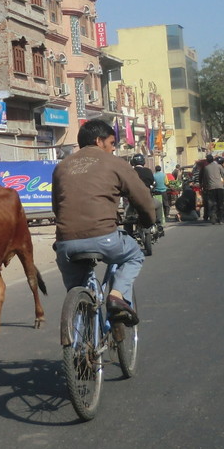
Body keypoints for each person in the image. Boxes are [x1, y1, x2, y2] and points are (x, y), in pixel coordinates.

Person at [52, 119, 155, 326]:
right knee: (134, 255)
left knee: (76, 286)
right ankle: (117, 296)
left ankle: (80, 330)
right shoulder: (115, 163)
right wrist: (148, 221)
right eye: (112, 142)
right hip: (105, 238)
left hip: (66, 244)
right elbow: (142, 198)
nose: (114, 147)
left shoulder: (61, 167)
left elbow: (57, 206)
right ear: (99, 141)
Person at [200, 152, 224, 223]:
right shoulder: (219, 166)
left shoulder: (206, 168)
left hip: (211, 188)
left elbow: (205, 179)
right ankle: (221, 219)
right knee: (220, 204)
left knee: (213, 204)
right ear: (213, 160)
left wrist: (204, 187)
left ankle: (213, 218)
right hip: (220, 187)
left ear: (207, 161)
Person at [152, 165, 169, 231]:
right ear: (160, 169)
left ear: (155, 169)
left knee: (157, 204)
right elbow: (166, 182)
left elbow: (153, 183)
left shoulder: (154, 175)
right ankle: (166, 215)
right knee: (166, 203)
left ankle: (158, 216)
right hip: (163, 190)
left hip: (156, 191)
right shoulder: (164, 175)